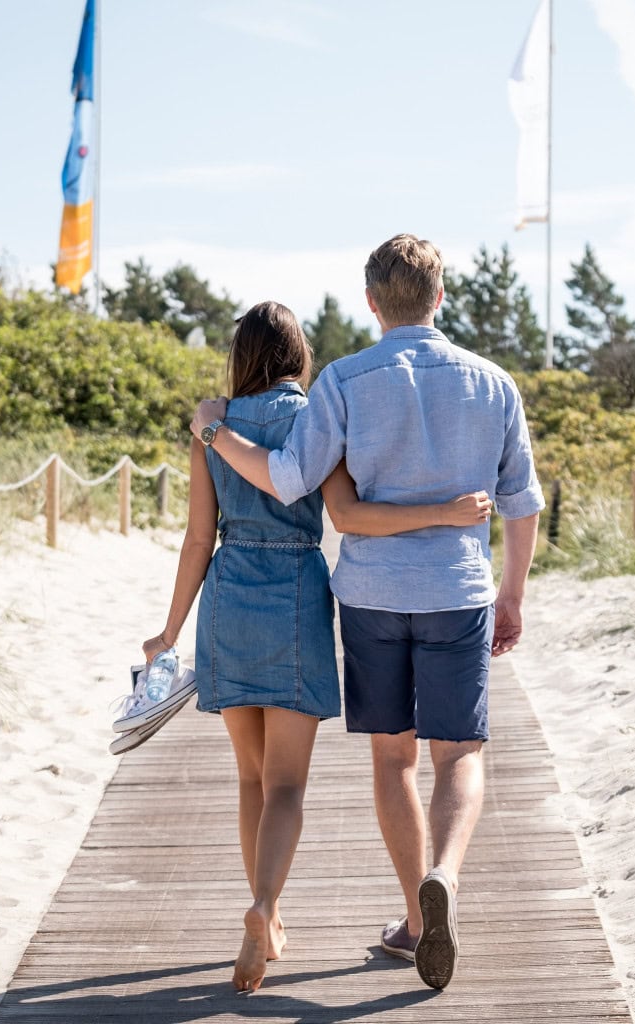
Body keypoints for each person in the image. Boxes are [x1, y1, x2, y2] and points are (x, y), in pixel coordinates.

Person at [190, 236, 546, 991]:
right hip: (456, 589)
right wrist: (512, 593)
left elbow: (289, 479)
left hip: (370, 595)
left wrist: (215, 431)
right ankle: (440, 878)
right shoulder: (493, 384)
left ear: (372, 304)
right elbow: (521, 503)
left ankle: (415, 920)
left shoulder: (346, 381)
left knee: (393, 758)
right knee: (460, 755)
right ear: (441, 297)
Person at [129, 300, 493, 994]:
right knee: (288, 785)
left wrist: (170, 631)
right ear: (299, 357)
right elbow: (342, 510)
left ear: (241, 360)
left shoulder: (214, 426)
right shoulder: (315, 417)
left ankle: (268, 916)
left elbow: (197, 539)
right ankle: (262, 908)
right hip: (293, 593)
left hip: (229, 597)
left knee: (250, 780)